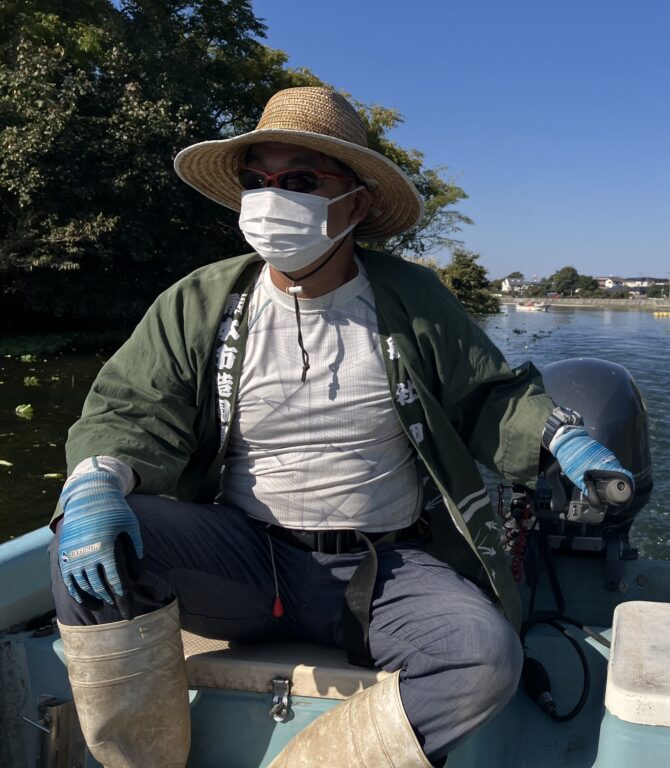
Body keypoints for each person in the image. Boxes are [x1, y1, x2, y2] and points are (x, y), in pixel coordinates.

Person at [49, 87, 634, 768]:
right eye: (256, 181)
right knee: (85, 548)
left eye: (299, 181)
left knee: (485, 658)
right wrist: (96, 481)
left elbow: (490, 395)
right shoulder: (201, 300)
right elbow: (131, 408)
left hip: (385, 568)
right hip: (244, 559)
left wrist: (561, 436)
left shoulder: (410, 298)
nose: (271, 200)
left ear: (354, 205)